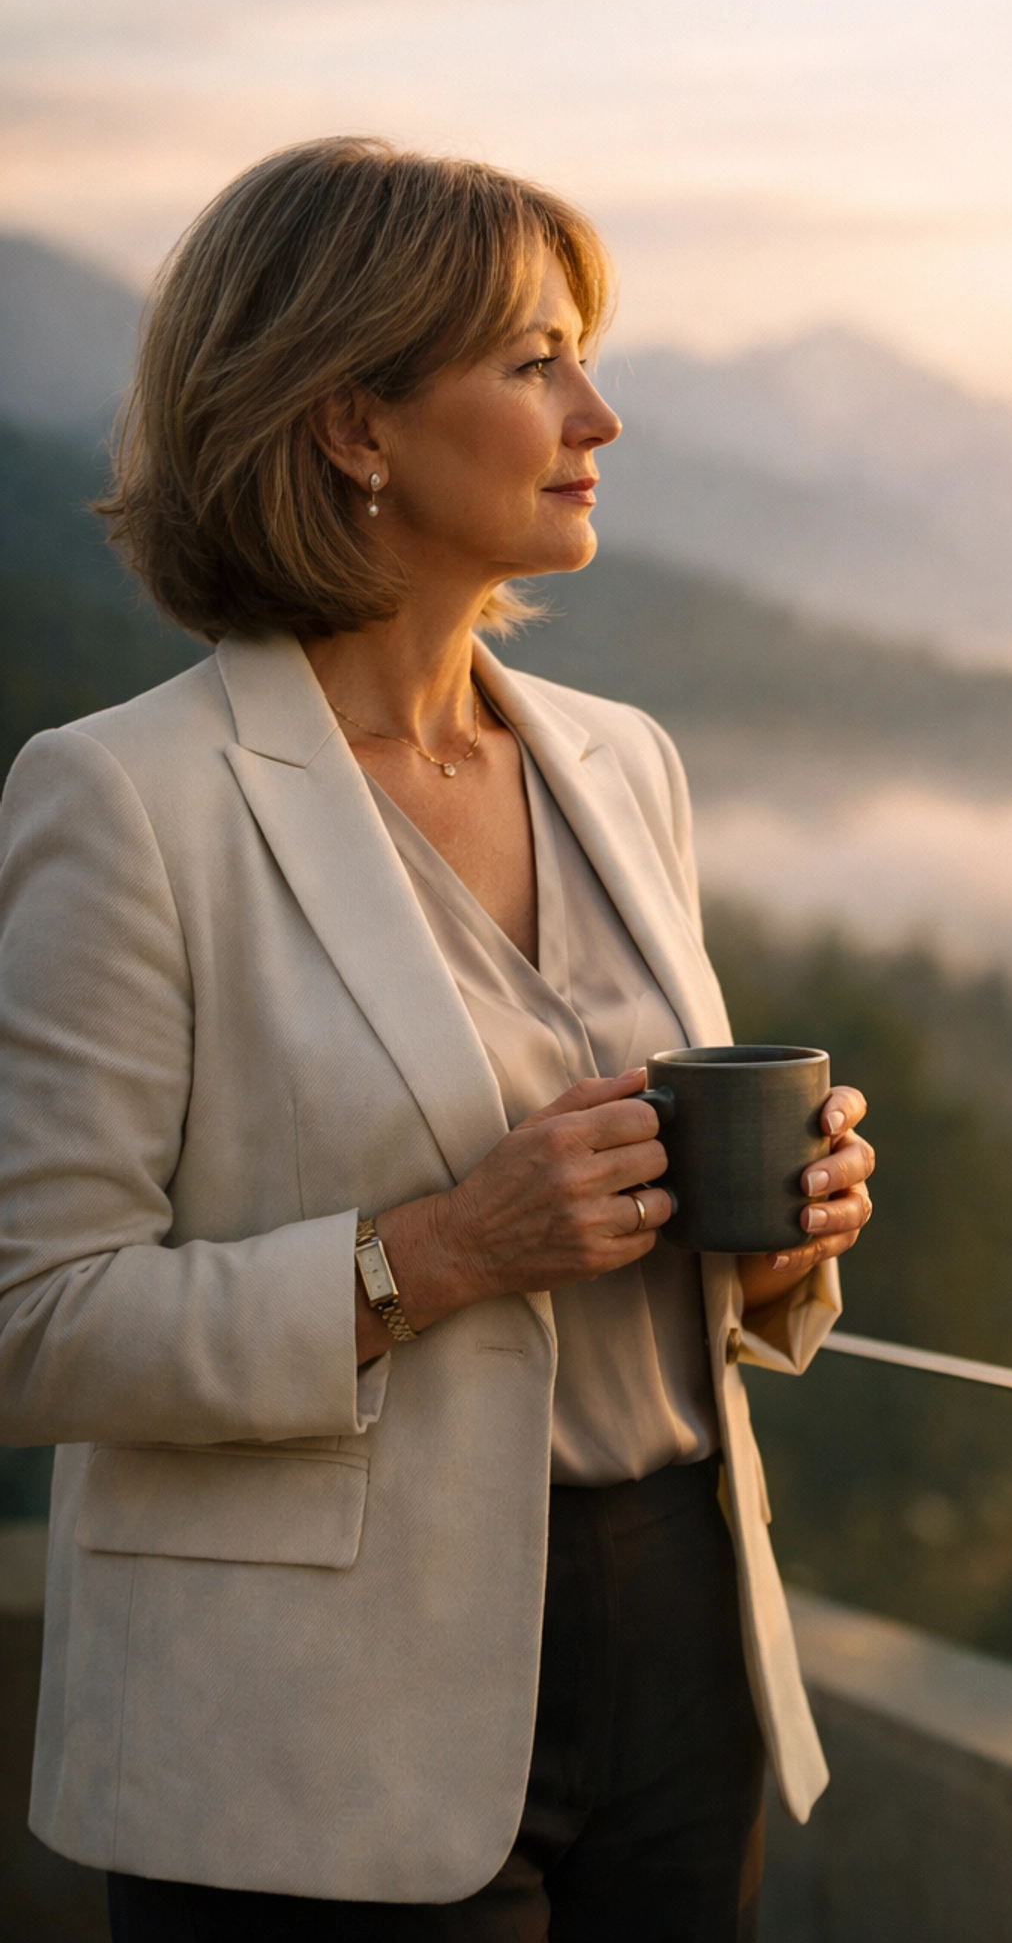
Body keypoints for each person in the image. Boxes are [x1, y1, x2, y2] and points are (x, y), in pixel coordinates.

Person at [0, 138, 876, 1941]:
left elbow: (642, 1235)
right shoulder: (123, 801)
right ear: (355, 425)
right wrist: (436, 1255)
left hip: (683, 1629)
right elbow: (33, 1324)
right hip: (307, 1711)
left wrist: (779, 1245)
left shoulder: (622, 760)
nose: (600, 413)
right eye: (536, 361)